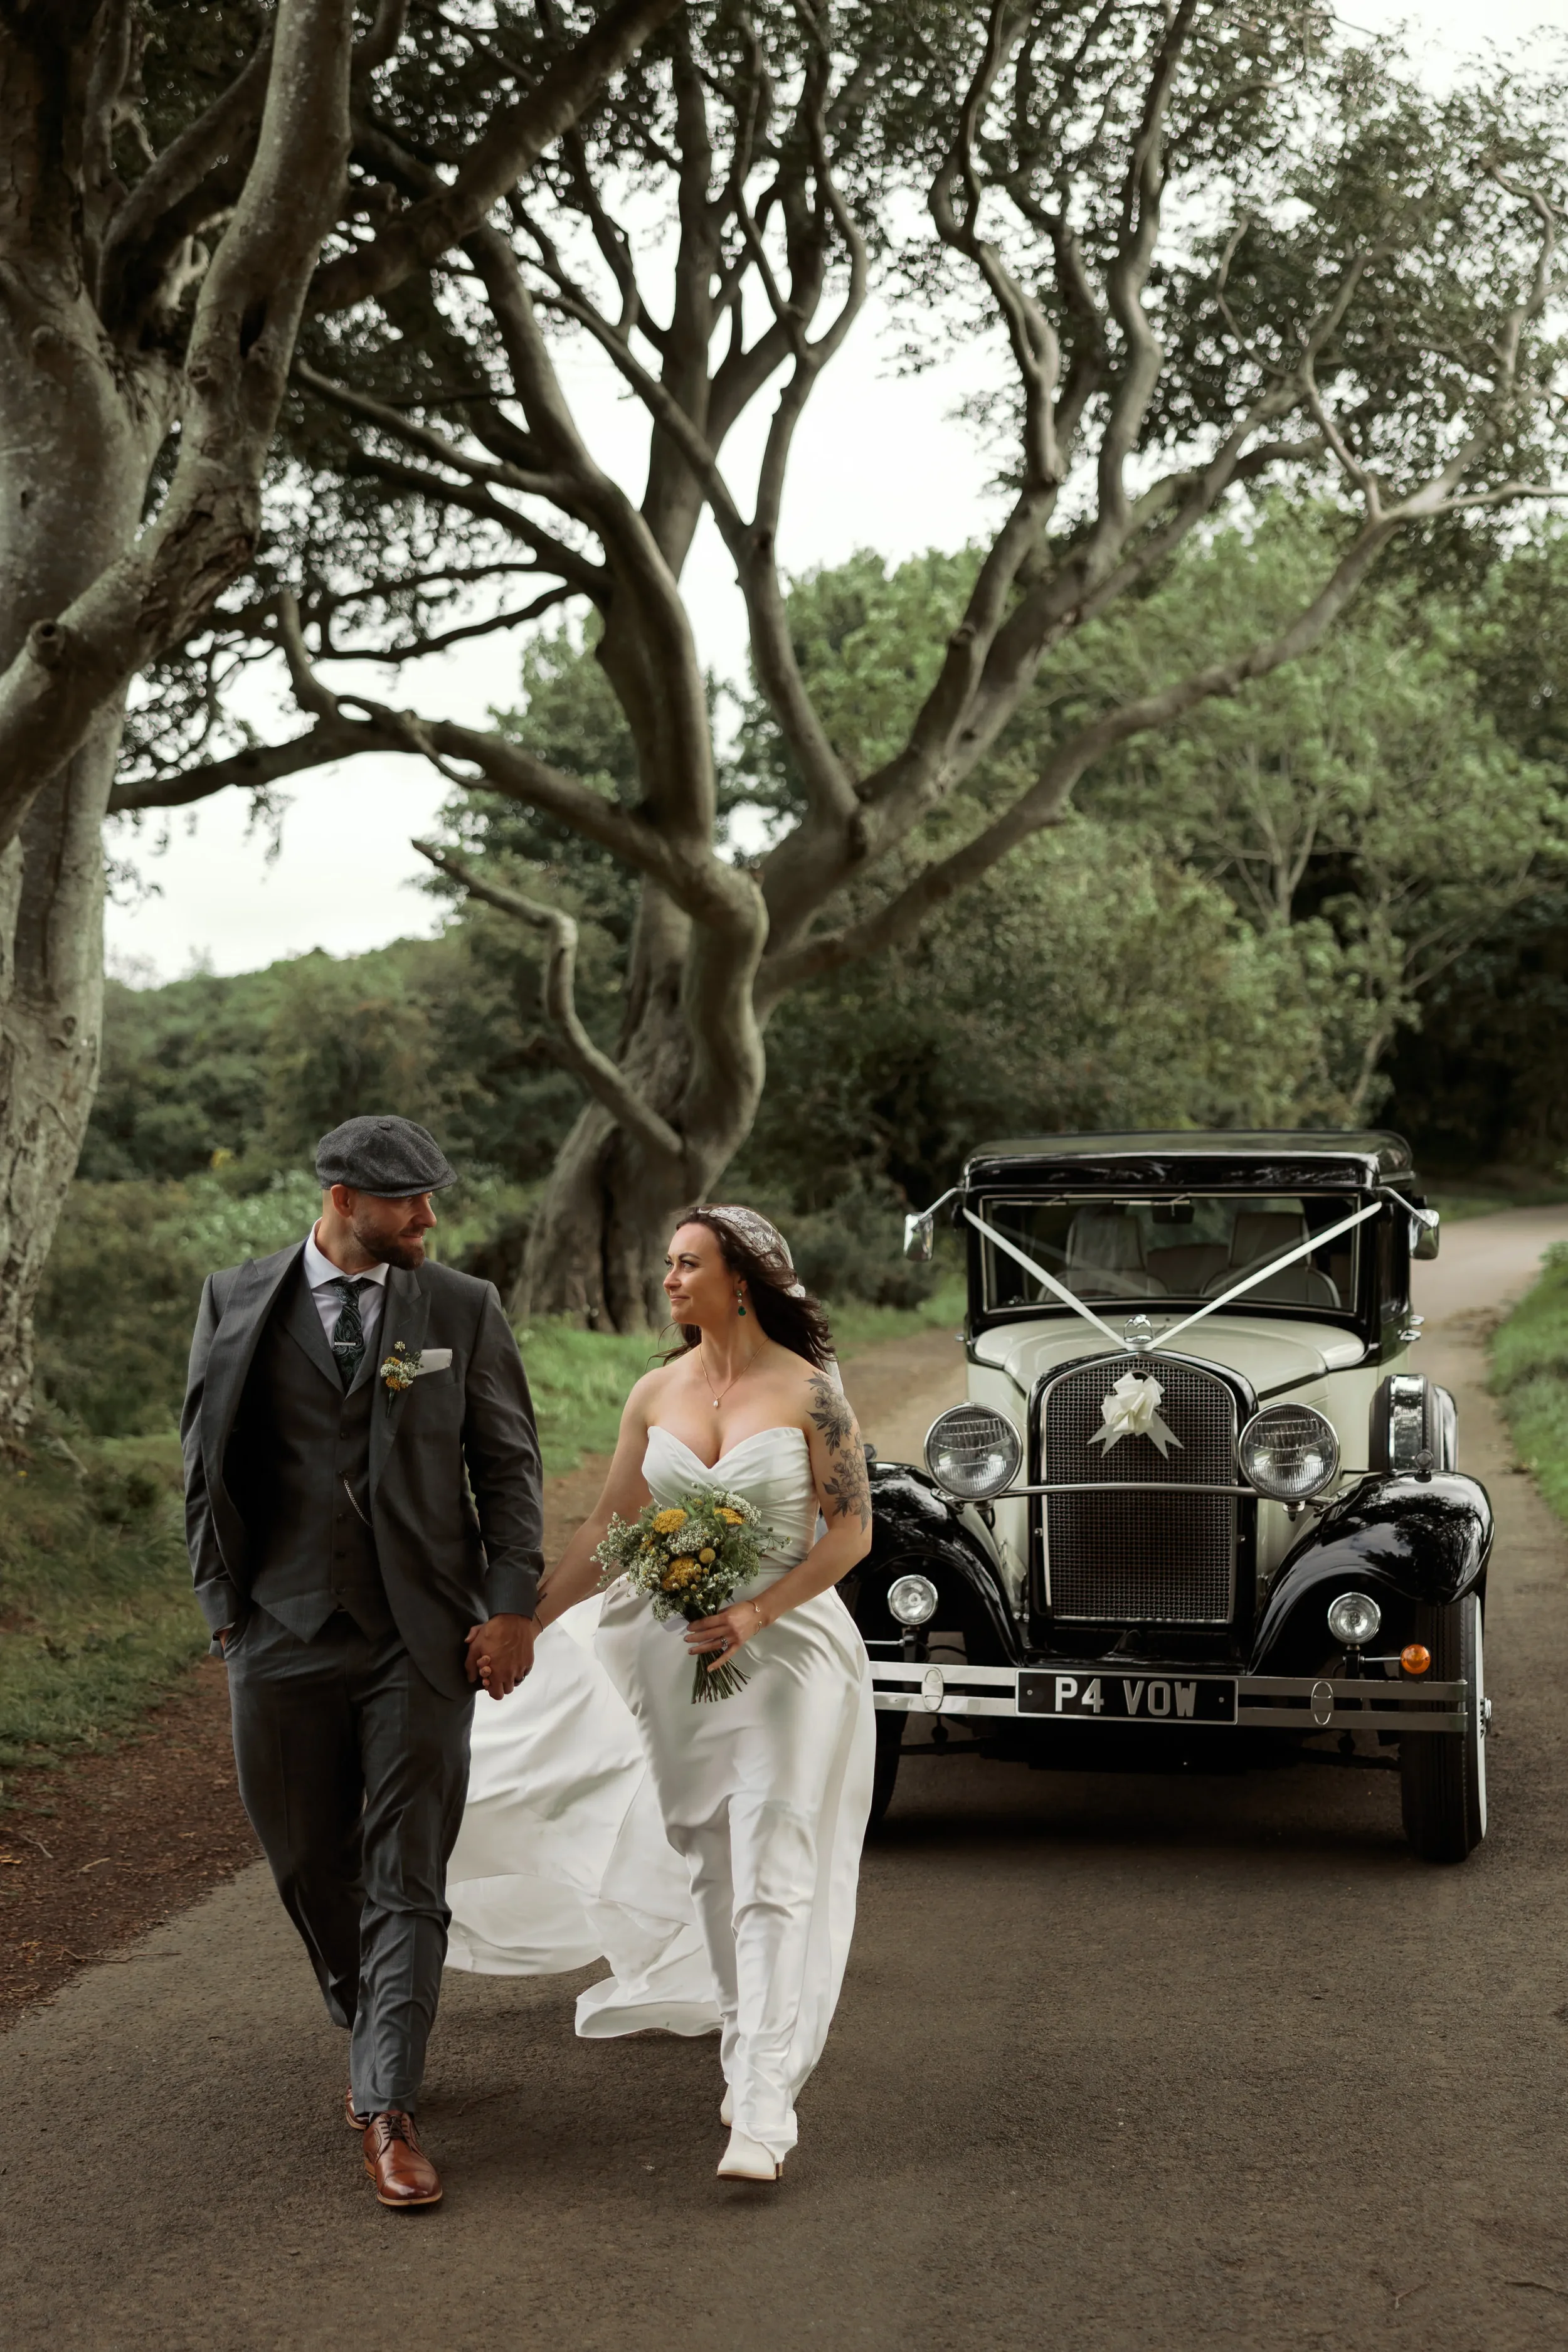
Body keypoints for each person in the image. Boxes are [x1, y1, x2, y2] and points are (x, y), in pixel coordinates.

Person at [181, 1115, 545, 2209]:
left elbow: (510, 1470)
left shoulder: (463, 1308)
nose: (429, 1217)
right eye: (407, 1201)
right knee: (302, 1859)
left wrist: (512, 1607)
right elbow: (205, 1468)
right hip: (279, 1629)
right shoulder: (235, 1297)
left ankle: (387, 2101)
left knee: (406, 1874)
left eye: (433, 1196)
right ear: (343, 1199)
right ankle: (374, 2013)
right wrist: (225, 1616)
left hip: (420, 1634)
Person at [474, 1204, 875, 2183]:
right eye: (667, 1263)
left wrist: (757, 1611)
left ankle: (766, 2096)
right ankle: (744, 2039)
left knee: (774, 1846)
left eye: (687, 1262)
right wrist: (525, 1616)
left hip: (787, 1651)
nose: (669, 1278)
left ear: (741, 1280)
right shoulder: (654, 1391)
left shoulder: (812, 1394)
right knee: (710, 1852)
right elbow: (609, 1525)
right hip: (671, 1650)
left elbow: (851, 1532)